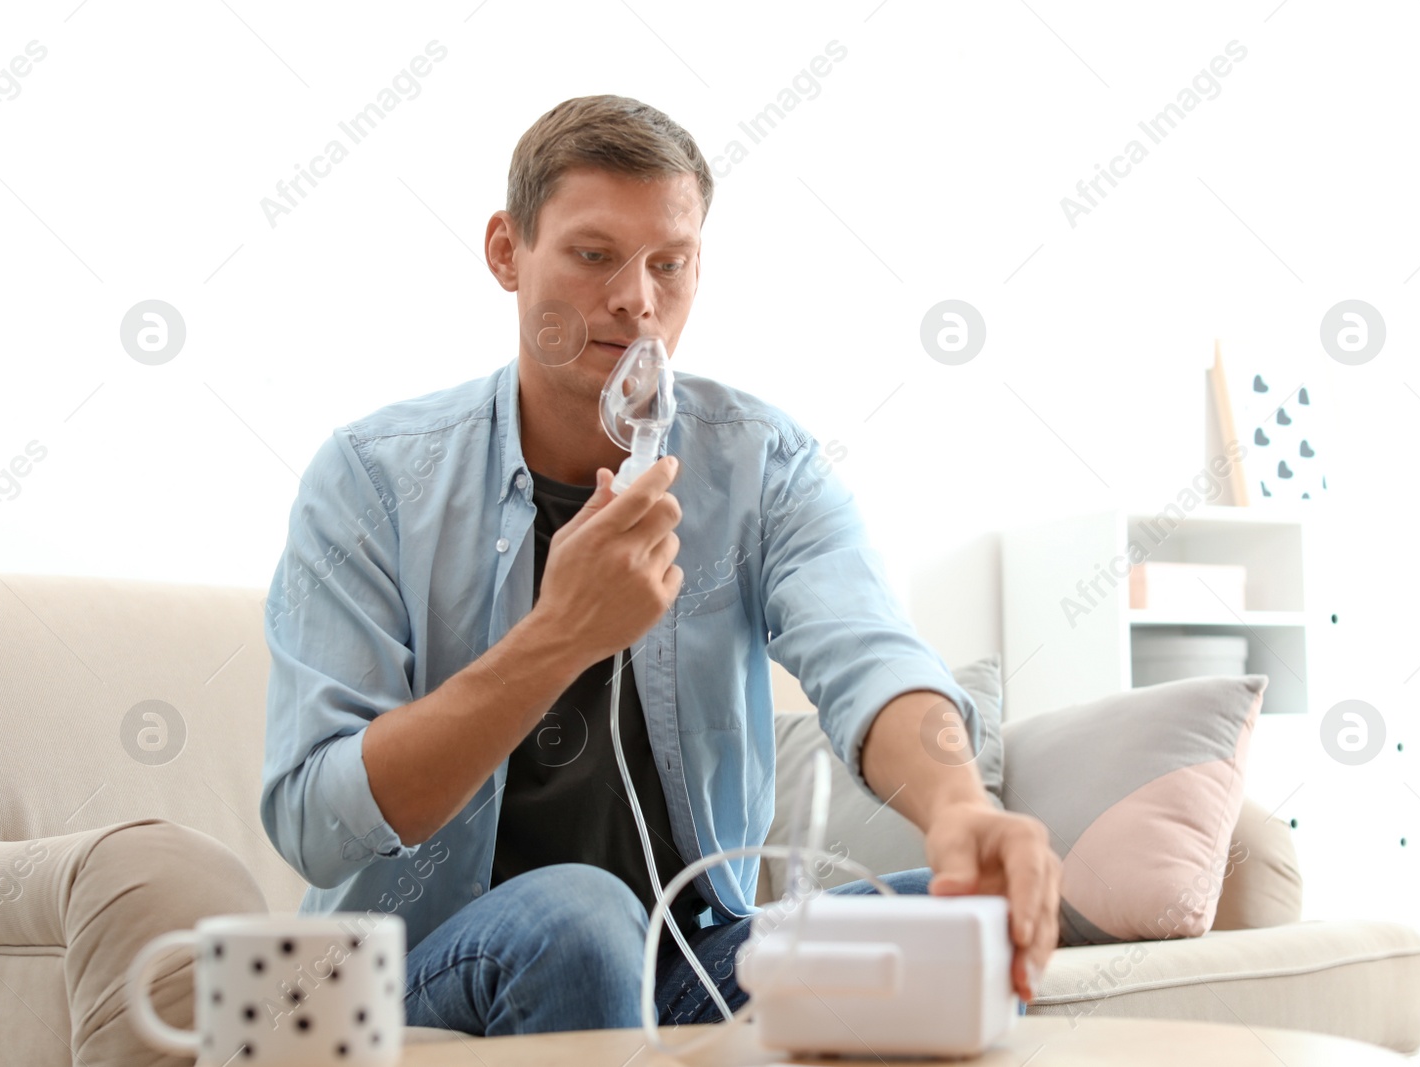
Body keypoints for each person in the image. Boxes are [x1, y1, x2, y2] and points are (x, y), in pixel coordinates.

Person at [259, 94, 1060, 1037]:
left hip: (689, 958)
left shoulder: (759, 461)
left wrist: (960, 806)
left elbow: (867, 651)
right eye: (595, 255)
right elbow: (315, 822)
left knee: (961, 925)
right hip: (405, 967)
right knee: (581, 913)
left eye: (669, 265)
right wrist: (559, 636)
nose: (638, 298)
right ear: (506, 252)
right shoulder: (371, 478)